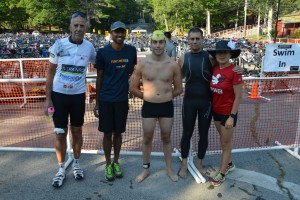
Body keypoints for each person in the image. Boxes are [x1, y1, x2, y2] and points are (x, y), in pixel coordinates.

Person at [178, 28, 242, 179]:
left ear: (202, 39)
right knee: (186, 133)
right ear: (188, 40)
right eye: (192, 39)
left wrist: (239, 69)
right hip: (189, 102)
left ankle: (199, 163)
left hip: (206, 103)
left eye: (197, 39)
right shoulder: (183, 58)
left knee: (203, 134)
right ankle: (184, 164)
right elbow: (176, 77)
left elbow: (225, 67)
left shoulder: (210, 57)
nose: (194, 41)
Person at [45, 12, 96, 188]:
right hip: (59, 97)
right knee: (60, 133)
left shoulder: (89, 47)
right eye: (76, 25)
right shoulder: (58, 45)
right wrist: (48, 99)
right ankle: (60, 168)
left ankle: (75, 163)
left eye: (82, 26)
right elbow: (50, 72)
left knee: (77, 132)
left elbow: (100, 65)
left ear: (86, 28)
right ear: (70, 27)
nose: (79, 29)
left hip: (77, 97)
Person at [129, 30, 182, 183]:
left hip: (166, 106)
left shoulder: (173, 65)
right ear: (150, 43)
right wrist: (147, 97)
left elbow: (179, 89)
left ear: (165, 44)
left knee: (166, 137)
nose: (158, 45)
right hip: (149, 106)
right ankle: (145, 169)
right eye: (155, 42)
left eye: (160, 42)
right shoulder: (143, 64)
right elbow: (133, 87)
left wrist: (165, 97)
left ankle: (169, 168)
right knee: (147, 138)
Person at [93, 21, 137, 181]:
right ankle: (107, 163)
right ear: (111, 34)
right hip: (105, 99)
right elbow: (99, 78)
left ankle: (116, 162)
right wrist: (97, 103)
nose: (119, 35)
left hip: (121, 100)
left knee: (118, 133)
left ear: (125, 33)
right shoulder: (103, 52)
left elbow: (132, 71)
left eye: (122, 32)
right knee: (107, 133)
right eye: (116, 32)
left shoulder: (131, 51)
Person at [207, 40, 243, 186]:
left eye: (225, 52)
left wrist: (232, 117)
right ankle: (229, 163)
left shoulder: (235, 71)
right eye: (219, 52)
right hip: (216, 111)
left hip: (228, 114)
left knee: (225, 144)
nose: (221, 55)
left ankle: (222, 173)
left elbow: (238, 96)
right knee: (224, 141)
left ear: (230, 54)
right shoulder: (214, 67)